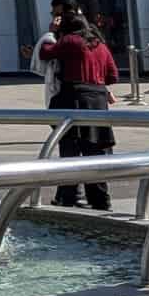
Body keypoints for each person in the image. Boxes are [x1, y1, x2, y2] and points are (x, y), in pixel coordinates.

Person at [39, 14, 117, 211]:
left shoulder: (70, 40)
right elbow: (112, 76)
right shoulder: (100, 45)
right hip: (98, 101)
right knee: (96, 151)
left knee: (70, 150)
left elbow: (45, 52)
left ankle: (69, 196)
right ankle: (100, 201)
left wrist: (51, 32)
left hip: (73, 97)